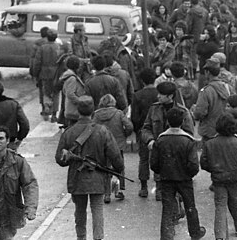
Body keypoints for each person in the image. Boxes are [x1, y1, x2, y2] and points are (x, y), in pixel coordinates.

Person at [56, 96, 124, 240]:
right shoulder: (102, 131)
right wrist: (118, 170)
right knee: (97, 208)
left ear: (77, 111)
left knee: (79, 211)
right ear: (93, 110)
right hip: (98, 176)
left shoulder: (69, 132)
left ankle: (81, 237)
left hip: (77, 178)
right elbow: (115, 155)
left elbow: (59, 159)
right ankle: (98, 237)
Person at [150, 106, 207, 240]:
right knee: (190, 206)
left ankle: (167, 235)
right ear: (182, 122)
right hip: (184, 179)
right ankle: (195, 232)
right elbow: (194, 165)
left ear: (168, 122)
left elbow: (154, 164)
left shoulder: (160, 140)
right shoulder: (188, 140)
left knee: (167, 208)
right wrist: (188, 174)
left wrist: (162, 171)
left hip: (166, 178)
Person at [141, 81, 195, 201]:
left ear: (170, 96)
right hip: (159, 149)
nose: (158, 96)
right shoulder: (154, 109)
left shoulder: (183, 112)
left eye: (161, 94)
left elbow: (190, 133)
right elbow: (146, 128)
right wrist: (149, 140)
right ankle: (159, 190)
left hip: (177, 153)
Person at [200, 114, 237, 239]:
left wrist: (214, 170)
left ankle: (220, 235)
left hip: (218, 179)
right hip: (235, 178)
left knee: (220, 206)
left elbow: (204, 163)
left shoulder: (210, 143)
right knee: (236, 203)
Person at [93, 94, 133, 204]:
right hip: (118, 144)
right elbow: (129, 126)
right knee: (119, 167)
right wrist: (124, 135)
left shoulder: (96, 115)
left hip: (102, 145)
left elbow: (92, 128)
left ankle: (106, 193)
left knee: (105, 168)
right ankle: (118, 190)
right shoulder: (119, 113)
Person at [131, 68, 160, 198]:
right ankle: (159, 188)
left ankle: (144, 187)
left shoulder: (137, 95)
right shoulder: (159, 93)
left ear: (142, 80)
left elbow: (134, 117)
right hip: (158, 130)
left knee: (143, 159)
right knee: (159, 159)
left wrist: (137, 130)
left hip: (143, 130)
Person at [192, 64, 231, 140]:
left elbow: (200, 112)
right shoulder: (227, 88)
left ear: (208, 73)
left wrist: (194, 112)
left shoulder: (206, 91)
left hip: (209, 131)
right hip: (225, 128)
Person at [32, 28, 63, 120]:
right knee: (56, 93)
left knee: (45, 92)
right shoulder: (59, 48)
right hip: (56, 74)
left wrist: (35, 74)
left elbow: (37, 62)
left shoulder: (42, 48)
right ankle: (54, 114)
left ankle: (45, 107)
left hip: (44, 73)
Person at [59, 56, 88, 127]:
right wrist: (80, 102)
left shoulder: (70, 76)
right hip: (73, 110)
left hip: (71, 109)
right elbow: (70, 94)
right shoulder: (72, 78)